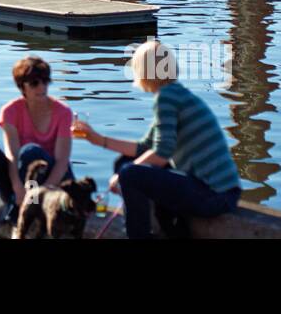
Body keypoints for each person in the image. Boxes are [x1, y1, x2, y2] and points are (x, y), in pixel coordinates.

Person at [73, 41, 241, 238]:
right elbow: (146, 147)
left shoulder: (167, 97)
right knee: (125, 164)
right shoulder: (175, 93)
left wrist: (122, 176)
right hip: (218, 191)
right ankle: (171, 230)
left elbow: (161, 154)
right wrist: (98, 139)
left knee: (129, 173)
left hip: (215, 195)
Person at [0, 55, 73, 238]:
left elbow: (62, 161)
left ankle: (20, 213)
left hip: (51, 181)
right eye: (34, 83)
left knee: (31, 151)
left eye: (45, 81)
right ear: (22, 86)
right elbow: (12, 155)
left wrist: (38, 196)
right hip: (21, 179)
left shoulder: (63, 112)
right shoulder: (10, 111)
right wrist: (18, 188)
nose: (42, 87)